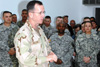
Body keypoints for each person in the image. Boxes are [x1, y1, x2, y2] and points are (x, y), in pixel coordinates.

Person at [14, 1, 57, 67]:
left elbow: (45, 47)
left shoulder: (40, 30)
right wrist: (47, 58)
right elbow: (24, 59)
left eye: (43, 12)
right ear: (31, 14)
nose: (43, 15)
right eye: (40, 13)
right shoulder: (23, 33)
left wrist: (50, 53)